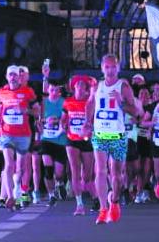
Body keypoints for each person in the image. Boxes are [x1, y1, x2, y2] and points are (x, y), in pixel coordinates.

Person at [85, 54, 139, 224]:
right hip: (100, 135)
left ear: (118, 68)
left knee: (117, 175)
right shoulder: (97, 86)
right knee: (100, 171)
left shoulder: (123, 86)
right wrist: (87, 122)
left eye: (113, 66)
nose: (110, 70)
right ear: (102, 68)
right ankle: (102, 209)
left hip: (118, 136)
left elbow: (136, 112)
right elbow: (90, 103)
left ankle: (114, 201)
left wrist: (121, 102)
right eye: (107, 67)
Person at [0, 65, 39, 208]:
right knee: (9, 164)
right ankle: (10, 197)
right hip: (6, 133)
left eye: (15, 75)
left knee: (20, 167)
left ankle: (18, 189)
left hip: (23, 134)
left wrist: (25, 110)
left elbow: (37, 112)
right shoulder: (1, 92)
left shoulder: (27, 92)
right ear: (6, 76)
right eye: (10, 74)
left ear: (19, 77)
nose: (12, 77)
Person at [64, 74, 96, 216]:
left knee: (87, 176)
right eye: (79, 85)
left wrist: (91, 128)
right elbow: (64, 118)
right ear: (74, 87)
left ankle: (94, 197)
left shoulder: (90, 102)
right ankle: (79, 204)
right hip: (72, 140)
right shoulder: (68, 102)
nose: (81, 88)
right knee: (75, 171)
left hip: (87, 140)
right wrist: (61, 124)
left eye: (84, 86)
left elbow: (95, 120)